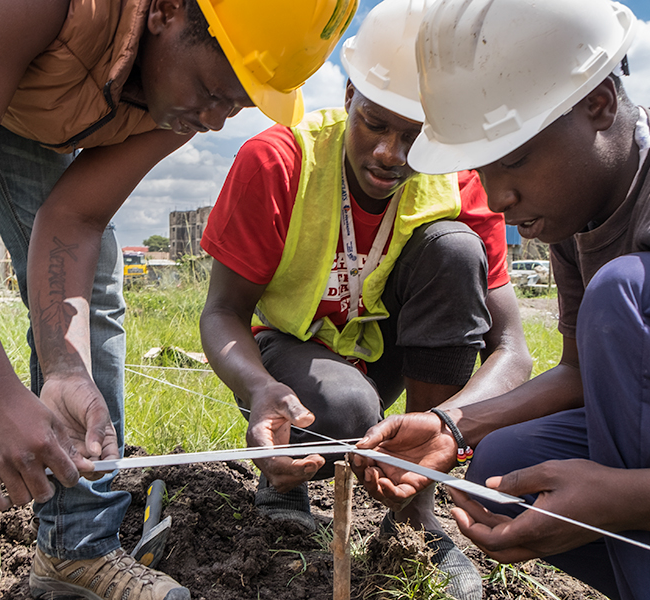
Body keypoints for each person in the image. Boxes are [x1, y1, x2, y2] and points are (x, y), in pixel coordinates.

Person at [0, 0, 356, 597]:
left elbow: (74, 219)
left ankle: (77, 546)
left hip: (25, 75)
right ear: (167, 11)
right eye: (212, 91)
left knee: (90, 282)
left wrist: (64, 365)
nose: (217, 119)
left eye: (237, 103)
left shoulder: (184, 99)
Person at [352, 0, 650, 598]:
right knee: (503, 470)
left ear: (598, 104)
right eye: (481, 169)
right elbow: (581, 372)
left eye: (514, 159)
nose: (497, 198)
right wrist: (452, 426)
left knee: (630, 293)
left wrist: (631, 502)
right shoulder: (583, 206)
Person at [199, 1, 532, 597]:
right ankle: (285, 486)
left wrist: (446, 426)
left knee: (455, 249)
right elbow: (223, 311)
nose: (390, 154)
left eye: (416, 136)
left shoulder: (457, 181)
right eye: (376, 124)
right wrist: (257, 391)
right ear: (350, 96)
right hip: (292, 357)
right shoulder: (280, 160)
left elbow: (512, 350)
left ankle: (412, 514)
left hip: (393, 356)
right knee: (347, 413)